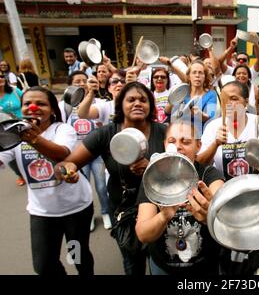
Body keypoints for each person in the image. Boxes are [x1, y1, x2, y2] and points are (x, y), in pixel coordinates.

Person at [55, 82, 166, 275]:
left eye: (143, 100)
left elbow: (184, 169)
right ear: (120, 104)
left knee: (162, 260)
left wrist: (152, 167)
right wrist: (68, 171)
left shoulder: (164, 132)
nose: (137, 103)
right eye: (131, 99)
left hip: (159, 208)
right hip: (123, 210)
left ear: (151, 105)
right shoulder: (105, 134)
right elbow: (66, 164)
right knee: (133, 264)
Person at [0, 86, 94, 275]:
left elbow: (62, 154)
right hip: (42, 213)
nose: (33, 107)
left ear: (52, 109)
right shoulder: (14, 134)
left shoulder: (63, 129)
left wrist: (34, 139)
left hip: (75, 210)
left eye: (41, 104)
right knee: (44, 266)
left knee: (77, 256)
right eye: (27, 104)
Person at [135, 121, 224, 275]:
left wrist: (213, 214)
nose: (178, 146)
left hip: (205, 266)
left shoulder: (208, 175)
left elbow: (226, 217)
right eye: (171, 141)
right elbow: (143, 234)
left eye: (186, 141)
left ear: (198, 145)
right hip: (163, 268)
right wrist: (163, 216)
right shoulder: (152, 179)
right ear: (164, 145)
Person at [59, 71, 111, 231]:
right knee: (84, 185)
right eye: (77, 81)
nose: (82, 83)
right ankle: (89, 216)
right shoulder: (65, 106)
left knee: (102, 186)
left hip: (96, 154)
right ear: (70, 85)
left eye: (84, 80)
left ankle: (105, 212)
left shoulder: (98, 102)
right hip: (78, 155)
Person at [197, 81, 259, 181]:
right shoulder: (212, 127)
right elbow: (200, 164)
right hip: (223, 190)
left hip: (254, 188)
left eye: (233, 98)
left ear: (246, 101)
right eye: (224, 99)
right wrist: (215, 144)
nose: (228, 103)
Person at [0, 71, 25, 186]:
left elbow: (26, 103)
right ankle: (20, 174)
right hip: (4, 131)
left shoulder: (15, 91)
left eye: (1, 76)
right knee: (10, 155)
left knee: (30, 150)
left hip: (22, 125)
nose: (0, 78)